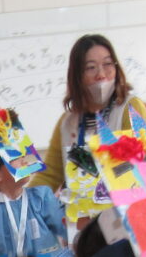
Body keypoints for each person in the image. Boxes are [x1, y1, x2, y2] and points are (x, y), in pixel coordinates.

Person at [31, 33, 132, 199]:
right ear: (77, 76)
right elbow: (50, 175)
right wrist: (23, 203)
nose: (101, 74)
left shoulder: (129, 109)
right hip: (82, 213)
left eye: (107, 64)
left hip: (126, 210)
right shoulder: (67, 122)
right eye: (91, 68)